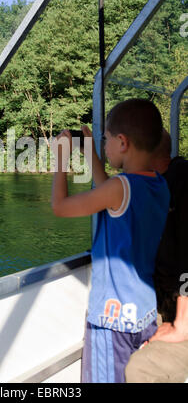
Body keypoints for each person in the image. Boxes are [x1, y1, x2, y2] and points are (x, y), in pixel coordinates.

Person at [51, 98, 170, 383]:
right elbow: (110, 190)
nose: (104, 147)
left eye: (106, 140)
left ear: (122, 142)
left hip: (110, 322)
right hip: (143, 315)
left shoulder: (120, 187)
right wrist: (91, 151)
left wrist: (60, 161)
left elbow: (60, 206)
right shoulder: (158, 185)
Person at [125, 130, 188, 383]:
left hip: (181, 313)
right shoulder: (156, 184)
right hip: (163, 306)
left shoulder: (182, 180)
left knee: (140, 370)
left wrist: (182, 323)